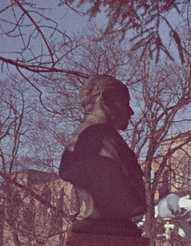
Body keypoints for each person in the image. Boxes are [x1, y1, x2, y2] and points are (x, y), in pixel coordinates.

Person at [59, 75, 146, 236]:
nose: (131, 111)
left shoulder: (87, 140)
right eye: (125, 103)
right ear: (105, 98)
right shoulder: (98, 140)